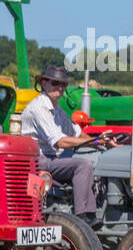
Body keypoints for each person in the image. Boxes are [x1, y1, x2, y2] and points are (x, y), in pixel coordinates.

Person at [19, 65, 111, 221]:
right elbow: (60, 141)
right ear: (44, 83)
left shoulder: (56, 109)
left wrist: (101, 143)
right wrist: (93, 141)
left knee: (94, 161)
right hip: (38, 160)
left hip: (52, 158)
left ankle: (96, 209)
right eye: (55, 83)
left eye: (63, 85)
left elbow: (74, 131)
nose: (60, 88)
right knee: (83, 165)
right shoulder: (38, 108)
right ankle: (82, 217)